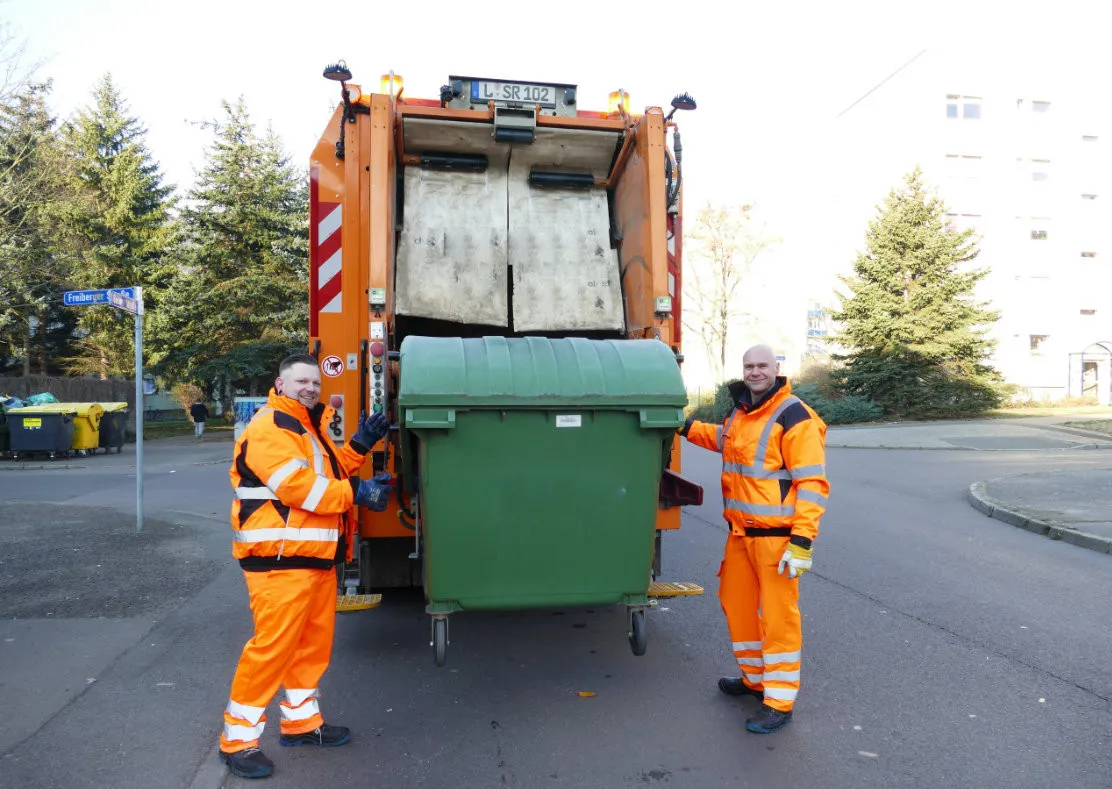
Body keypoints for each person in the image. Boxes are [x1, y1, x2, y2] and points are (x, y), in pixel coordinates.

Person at [218, 353, 393, 779]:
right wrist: (357, 492)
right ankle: (237, 741)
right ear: (280, 384)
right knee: (271, 650)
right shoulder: (271, 426)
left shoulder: (306, 427)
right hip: (279, 561)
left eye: (315, 383)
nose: (311, 388)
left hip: (312, 559)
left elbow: (328, 473)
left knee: (310, 648)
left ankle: (301, 724)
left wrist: (359, 446)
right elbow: (297, 487)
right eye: (301, 382)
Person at [680, 344, 829, 734]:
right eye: (749, 366)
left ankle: (779, 701)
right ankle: (755, 680)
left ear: (776, 368)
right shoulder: (742, 411)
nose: (755, 372)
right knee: (737, 605)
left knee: (779, 619)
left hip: (777, 540)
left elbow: (812, 483)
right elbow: (725, 440)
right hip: (741, 535)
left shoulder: (794, 415)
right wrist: (685, 427)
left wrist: (802, 541)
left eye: (762, 365)